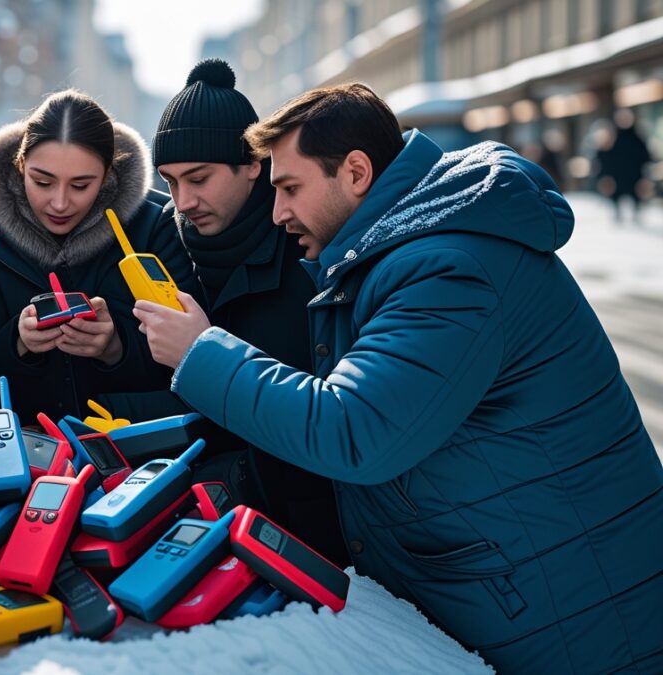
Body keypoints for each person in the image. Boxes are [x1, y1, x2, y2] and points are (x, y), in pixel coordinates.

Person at [134, 83, 663, 672]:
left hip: (570, 613)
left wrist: (201, 353)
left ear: (357, 172)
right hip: (526, 584)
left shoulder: (447, 269)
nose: (278, 211)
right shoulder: (401, 249)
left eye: (289, 188)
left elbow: (354, 428)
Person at [151, 59, 345, 566]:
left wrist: (203, 350)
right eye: (169, 181)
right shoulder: (163, 244)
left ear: (253, 164)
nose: (182, 201)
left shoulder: (308, 247)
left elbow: (330, 416)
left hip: (311, 539)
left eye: (198, 178)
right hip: (205, 522)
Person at [0, 90, 197, 423]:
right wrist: (17, 342)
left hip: (137, 453)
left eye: (80, 185)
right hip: (21, 459)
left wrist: (115, 347)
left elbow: (189, 370)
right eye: (42, 182)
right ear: (20, 165)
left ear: (108, 174)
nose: (60, 203)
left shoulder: (153, 228)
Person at [595, 108, 653, 224]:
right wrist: (605, 175)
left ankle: (635, 213)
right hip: (618, 174)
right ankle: (618, 213)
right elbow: (604, 157)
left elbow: (645, 155)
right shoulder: (613, 138)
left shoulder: (636, 137)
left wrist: (646, 173)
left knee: (635, 195)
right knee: (617, 195)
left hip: (634, 174)